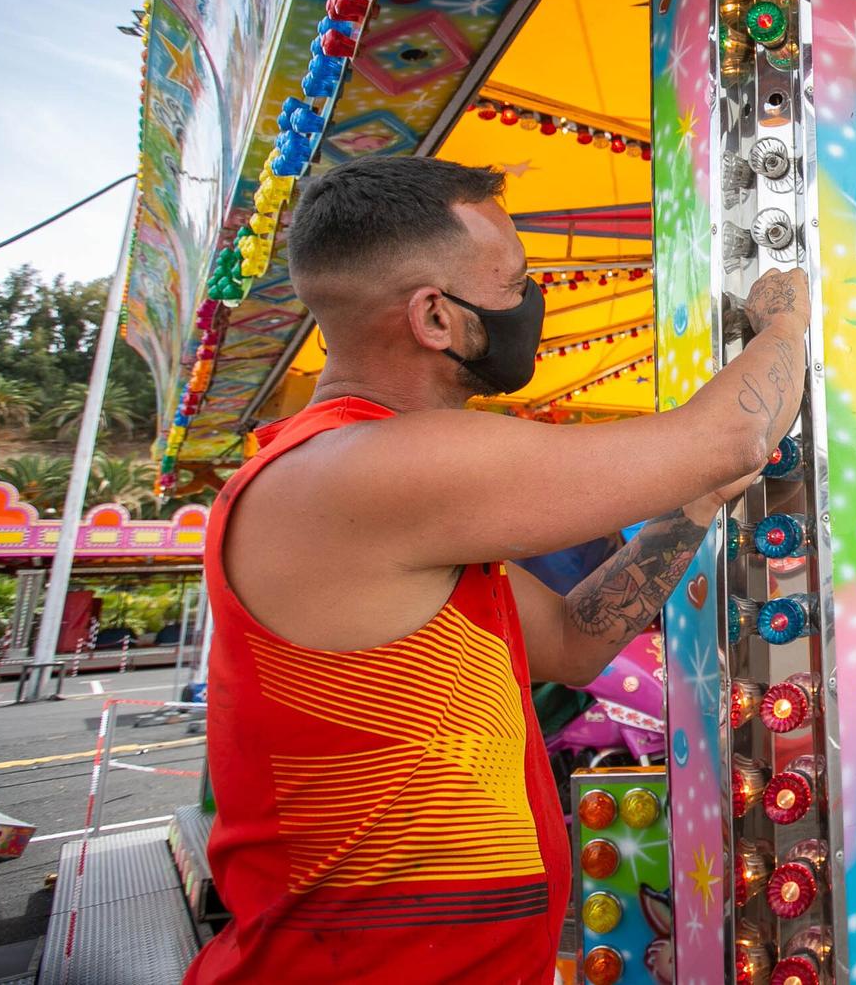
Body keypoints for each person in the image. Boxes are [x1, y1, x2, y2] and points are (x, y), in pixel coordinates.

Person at [184, 158, 809, 983]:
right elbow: (728, 435)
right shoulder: (369, 469)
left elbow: (571, 641)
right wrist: (789, 324)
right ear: (437, 317)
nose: (529, 303)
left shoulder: (383, 489)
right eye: (514, 283)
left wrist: (692, 510)